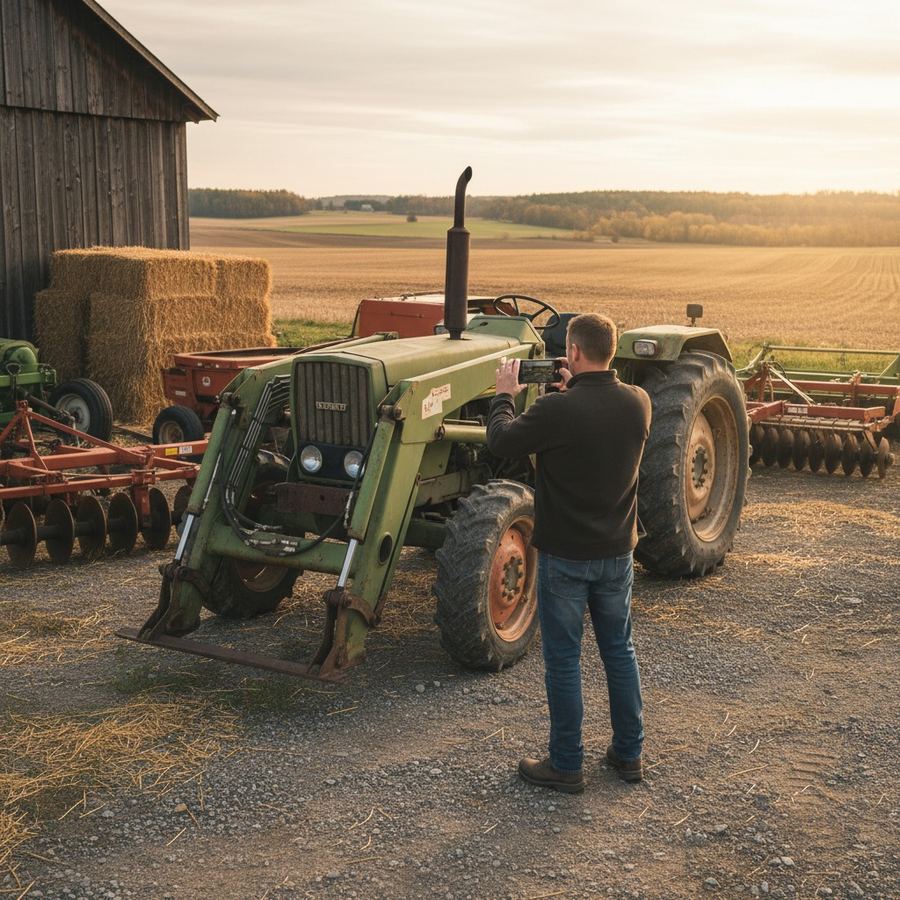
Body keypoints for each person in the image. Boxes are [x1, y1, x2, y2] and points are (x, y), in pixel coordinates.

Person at [487, 312, 651, 794]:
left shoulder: (556, 413)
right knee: (619, 651)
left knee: (563, 660)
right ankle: (628, 754)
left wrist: (505, 394)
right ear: (612, 351)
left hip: (565, 555)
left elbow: (501, 440)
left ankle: (566, 764)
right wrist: (569, 392)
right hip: (617, 553)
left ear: (573, 352)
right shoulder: (639, 402)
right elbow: (593, 425)